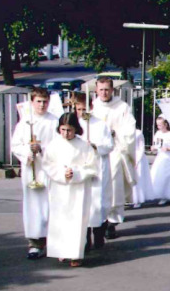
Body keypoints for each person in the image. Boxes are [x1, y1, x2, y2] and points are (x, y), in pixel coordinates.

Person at [43, 113, 97, 267]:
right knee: (60, 219)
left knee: (76, 220)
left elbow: (92, 167)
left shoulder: (84, 146)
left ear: (76, 129)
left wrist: (76, 173)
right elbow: (48, 164)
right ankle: (61, 250)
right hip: (60, 187)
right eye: (63, 130)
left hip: (78, 189)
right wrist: (61, 173)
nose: (66, 134)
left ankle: (75, 254)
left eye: (70, 130)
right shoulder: (54, 145)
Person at [12, 88, 58, 260]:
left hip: (49, 170)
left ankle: (51, 240)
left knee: (51, 204)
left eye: (45, 101)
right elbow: (15, 145)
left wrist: (42, 149)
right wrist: (28, 151)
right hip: (32, 169)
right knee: (33, 206)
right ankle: (34, 243)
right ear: (32, 102)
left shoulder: (54, 122)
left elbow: (60, 145)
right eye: (38, 101)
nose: (42, 105)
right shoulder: (25, 123)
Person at [90, 76, 137, 240]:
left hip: (115, 149)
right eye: (101, 89)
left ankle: (112, 221)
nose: (104, 92)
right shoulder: (91, 107)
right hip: (95, 151)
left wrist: (114, 133)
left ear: (113, 90)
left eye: (107, 89)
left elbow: (130, 130)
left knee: (115, 184)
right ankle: (97, 219)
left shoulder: (122, 107)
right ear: (96, 89)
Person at [67, 93, 112, 250]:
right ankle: (84, 239)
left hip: (98, 168)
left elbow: (109, 145)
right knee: (83, 203)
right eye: (78, 109)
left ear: (91, 108)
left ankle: (99, 235)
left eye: (85, 109)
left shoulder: (100, 124)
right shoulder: (73, 125)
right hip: (81, 169)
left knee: (98, 203)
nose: (82, 113)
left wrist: (94, 146)